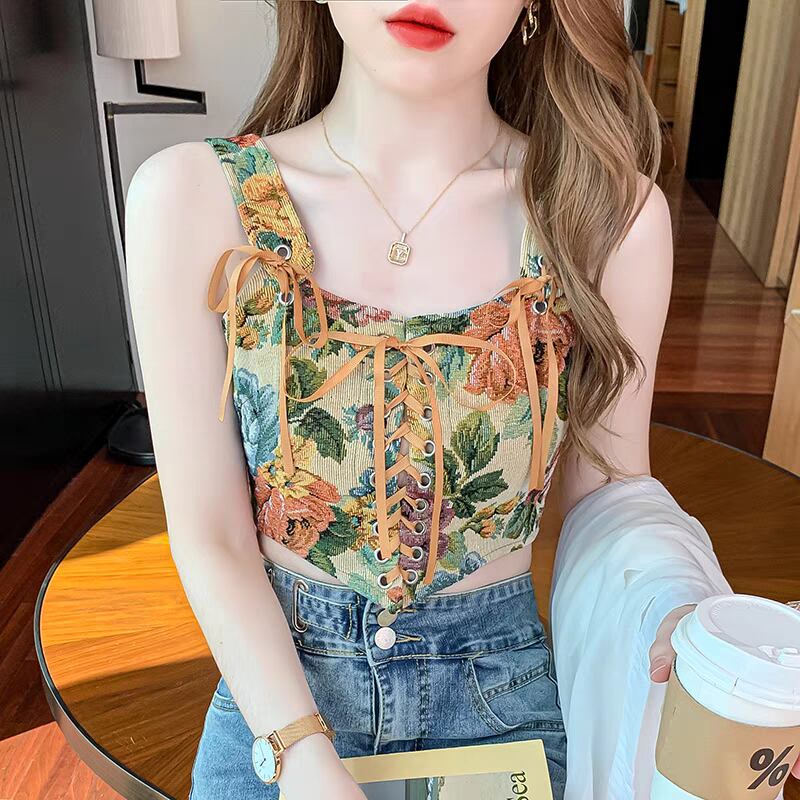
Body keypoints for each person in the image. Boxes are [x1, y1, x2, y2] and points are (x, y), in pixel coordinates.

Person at [124, 1, 702, 798]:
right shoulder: (192, 195)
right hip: (278, 702)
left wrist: (676, 607)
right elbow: (210, 531)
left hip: (502, 707)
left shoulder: (608, 215)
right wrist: (301, 754)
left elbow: (611, 490)